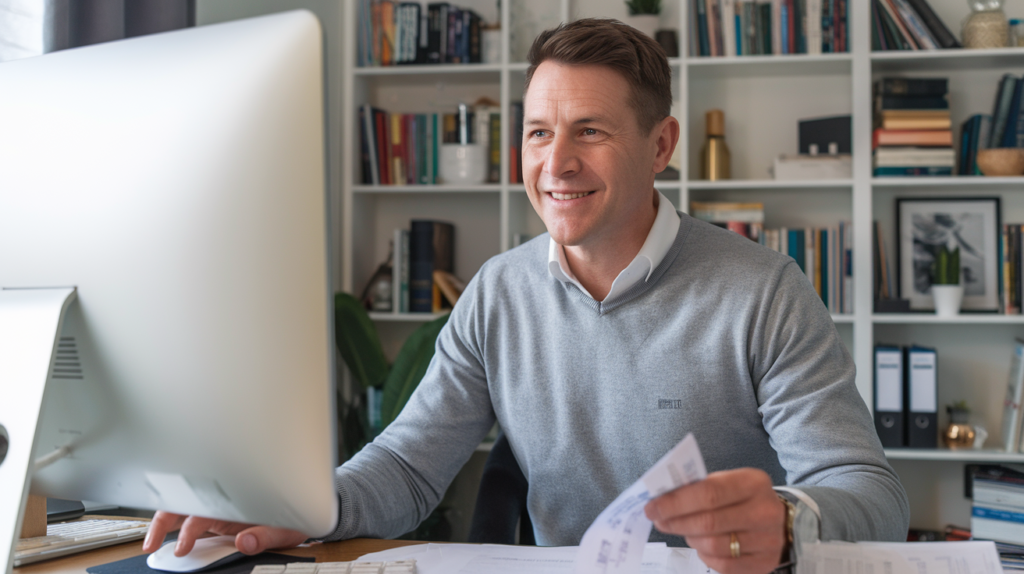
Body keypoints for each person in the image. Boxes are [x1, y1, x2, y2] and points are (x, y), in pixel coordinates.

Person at [143, 18, 909, 574]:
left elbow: (869, 493)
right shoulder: (497, 292)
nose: (557, 163)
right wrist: (297, 507)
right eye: (539, 133)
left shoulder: (763, 289)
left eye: (590, 132)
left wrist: (783, 519)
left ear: (663, 145)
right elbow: (410, 468)